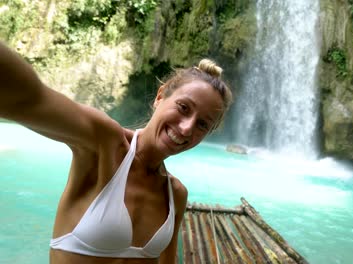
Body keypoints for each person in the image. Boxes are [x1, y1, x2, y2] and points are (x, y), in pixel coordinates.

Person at [0, 41, 233, 263]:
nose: (186, 128)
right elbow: (30, 99)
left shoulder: (176, 195)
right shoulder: (105, 143)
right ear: (160, 96)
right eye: (183, 108)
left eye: (202, 124)